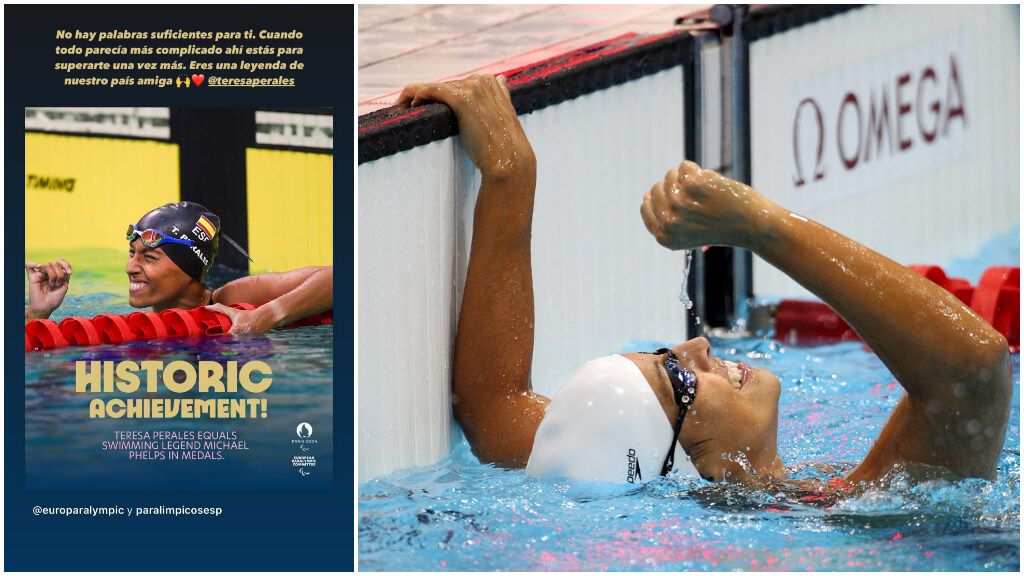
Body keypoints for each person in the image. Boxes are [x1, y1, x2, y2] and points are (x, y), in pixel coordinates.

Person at [396, 74, 1012, 489]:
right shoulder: (851, 518)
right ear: (698, 464)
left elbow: (491, 403)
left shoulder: (605, 459)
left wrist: (510, 170)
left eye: (670, 355)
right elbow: (974, 370)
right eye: (679, 374)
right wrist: (761, 226)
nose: (697, 348)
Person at [25, 201, 332, 334]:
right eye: (132, 253)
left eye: (149, 257)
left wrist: (265, 315)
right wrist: (38, 314)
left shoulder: (231, 297)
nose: (131, 267)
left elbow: (340, 274)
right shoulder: (136, 327)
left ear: (190, 271)